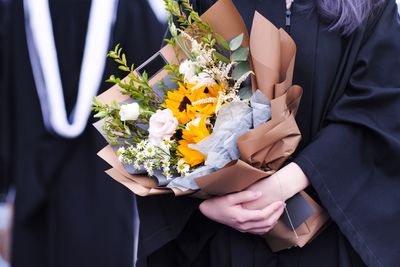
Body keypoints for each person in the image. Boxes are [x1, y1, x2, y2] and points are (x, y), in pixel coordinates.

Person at [135, 0, 400, 266]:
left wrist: (284, 183)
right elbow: (170, 102)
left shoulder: (372, 7)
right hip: (221, 238)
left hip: (329, 232)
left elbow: (379, 110)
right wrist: (203, 206)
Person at [1, 0, 165, 266]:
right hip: (105, 180)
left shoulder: (19, 8)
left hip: (33, 183)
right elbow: (153, 90)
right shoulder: (130, 7)